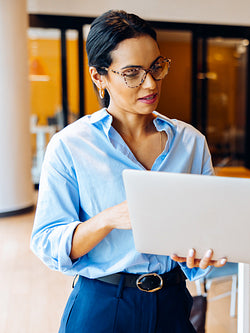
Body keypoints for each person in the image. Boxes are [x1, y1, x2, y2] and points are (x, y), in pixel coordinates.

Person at [30, 10, 225, 333]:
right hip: (102, 304)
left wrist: (205, 251)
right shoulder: (70, 146)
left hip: (173, 303)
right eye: (132, 73)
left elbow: (208, 225)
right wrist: (108, 219)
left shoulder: (190, 142)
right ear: (99, 77)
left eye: (156, 67)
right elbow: (48, 242)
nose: (150, 83)